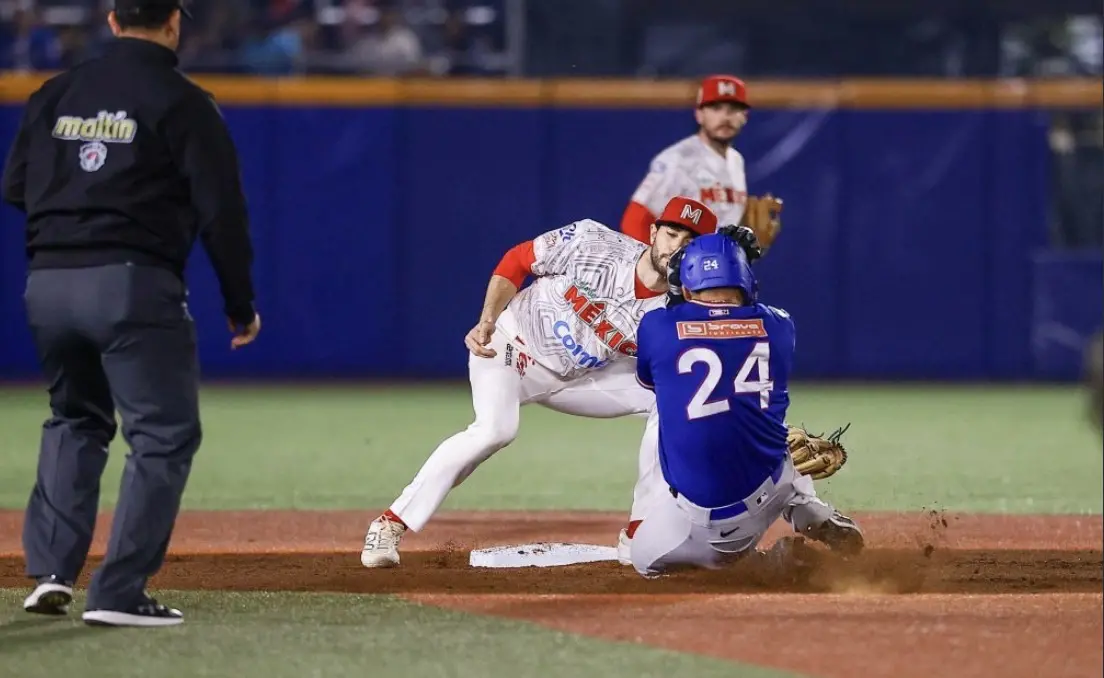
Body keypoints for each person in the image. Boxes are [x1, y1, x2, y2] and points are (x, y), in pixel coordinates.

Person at [1, 0, 259, 627]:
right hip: (131, 283)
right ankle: (118, 592)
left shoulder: (54, 93)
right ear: (174, 22)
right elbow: (221, 210)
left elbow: (14, 187)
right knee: (163, 435)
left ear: (113, 21)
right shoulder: (184, 101)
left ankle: (52, 572)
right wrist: (239, 303)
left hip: (48, 284)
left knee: (74, 418)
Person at [360, 196, 716, 568]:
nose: (676, 246)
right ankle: (390, 523)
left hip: (580, 380)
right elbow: (517, 260)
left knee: (671, 399)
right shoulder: (594, 241)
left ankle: (638, 531)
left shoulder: (683, 307)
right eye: (672, 233)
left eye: (689, 242)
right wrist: (487, 319)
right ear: (654, 232)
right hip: (511, 348)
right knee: (495, 430)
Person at [629, 234, 862, 577]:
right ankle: (806, 507)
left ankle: (768, 565)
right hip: (773, 483)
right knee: (778, 438)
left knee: (642, 559)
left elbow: (653, 375)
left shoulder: (656, 326)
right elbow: (741, 316)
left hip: (710, 525)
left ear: (686, 288)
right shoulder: (780, 326)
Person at [620, 74, 781, 246]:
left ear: (745, 116)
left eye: (733, 109)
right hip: (685, 260)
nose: (725, 117)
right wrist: (658, 260)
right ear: (699, 114)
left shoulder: (736, 160)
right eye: (716, 108)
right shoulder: (677, 159)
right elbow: (634, 220)